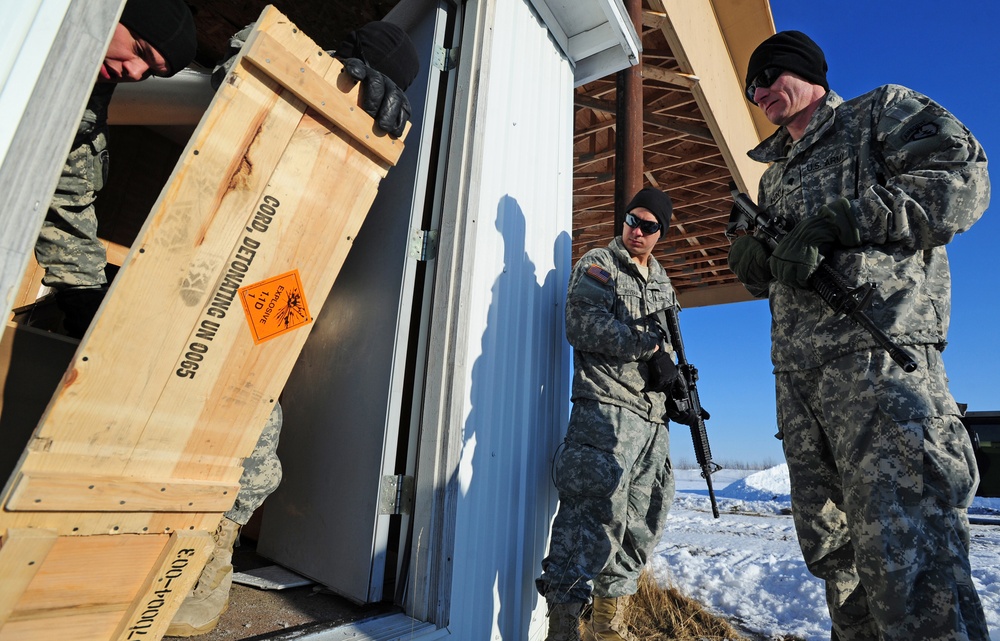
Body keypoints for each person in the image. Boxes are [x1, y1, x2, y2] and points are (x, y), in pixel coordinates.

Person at [727, 30, 990, 641]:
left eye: (770, 75)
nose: (759, 91)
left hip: (879, 363)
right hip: (799, 381)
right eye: (751, 85)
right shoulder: (772, 179)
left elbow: (963, 179)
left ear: (809, 72)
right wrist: (755, 260)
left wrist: (846, 218)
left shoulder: (877, 115)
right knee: (835, 554)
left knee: (910, 555)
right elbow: (789, 268)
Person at [165, 20, 420, 638]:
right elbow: (232, 79)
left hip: (285, 276)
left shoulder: (369, 121)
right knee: (174, 391)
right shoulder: (284, 58)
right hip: (204, 252)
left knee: (254, 404)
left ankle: (210, 552)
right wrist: (327, 74)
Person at [536, 187, 702, 641]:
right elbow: (582, 324)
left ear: (661, 233)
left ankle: (609, 627)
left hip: (652, 420)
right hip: (606, 410)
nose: (637, 231)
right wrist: (647, 345)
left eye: (649, 227)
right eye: (633, 220)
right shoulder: (599, 264)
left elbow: (668, 345)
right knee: (590, 515)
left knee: (643, 519)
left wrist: (676, 386)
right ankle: (565, 628)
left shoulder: (663, 280)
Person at [34, 0, 198, 339]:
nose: (136, 72)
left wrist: (84, 295)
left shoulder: (89, 104)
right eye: (139, 49)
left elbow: (66, 199)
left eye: (151, 71)